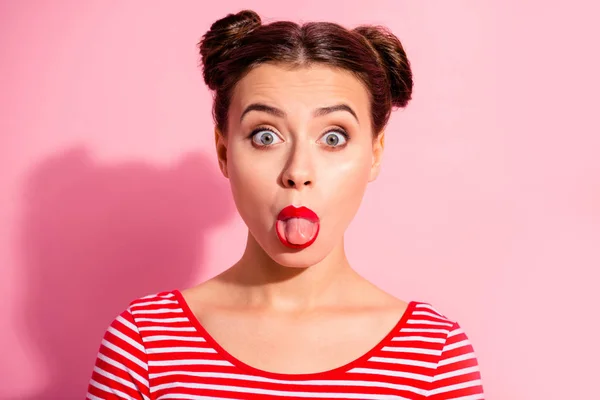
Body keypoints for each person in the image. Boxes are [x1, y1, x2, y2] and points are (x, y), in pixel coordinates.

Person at [86, 9, 484, 399]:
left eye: (333, 138)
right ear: (224, 152)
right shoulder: (145, 345)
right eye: (265, 136)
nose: (297, 172)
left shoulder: (433, 355)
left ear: (375, 153)